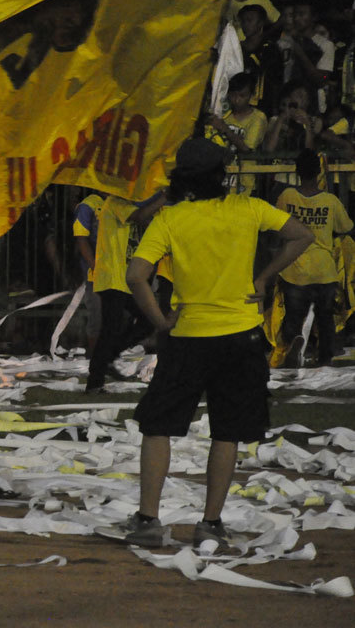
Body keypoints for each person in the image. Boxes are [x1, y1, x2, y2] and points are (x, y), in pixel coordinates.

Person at [100, 137, 312, 548]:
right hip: (242, 334)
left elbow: (135, 276)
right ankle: (210, 524)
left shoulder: (170, 219)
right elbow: (302, 236)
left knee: (157, 425)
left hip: (188, 335)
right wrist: (264, 278)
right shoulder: (248, 208)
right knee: (227, 431)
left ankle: (148, 520)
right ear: (222, 175)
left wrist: (160, 322)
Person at [275, 149, 354, 367]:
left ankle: (293, 349)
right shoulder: (330, 200)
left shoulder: (287, 196)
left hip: (294, 268)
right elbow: (346, 227)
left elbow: (279, 228)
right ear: (319, 171)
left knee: (292, 317)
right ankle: (324, 359)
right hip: (324, 269)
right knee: (325, 319)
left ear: (297, 171)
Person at [84, 191, 165, 393]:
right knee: (109, 330)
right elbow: (140, 216)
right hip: (112, 277)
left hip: (124, 280)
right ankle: (95, 381)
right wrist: (164, 196)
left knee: (146, 321)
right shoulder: (115, 203)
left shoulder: (126, 205)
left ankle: (108, 358)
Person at [205, 72, 268, 195]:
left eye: (242, 95)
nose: (237, 100)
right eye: (233, 95)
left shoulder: (258, 118)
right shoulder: (225, 116)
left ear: (251, 95)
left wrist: (224, 128)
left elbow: (247, 148)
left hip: (245, 182)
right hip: (223, 181)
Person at [73, 190, 104, 356]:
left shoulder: (122, 203)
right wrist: (95, 267)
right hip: (97, 274)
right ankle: (95, 356)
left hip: (118, 272)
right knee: (97, 317)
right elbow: (81, 238)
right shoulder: (90, 204)